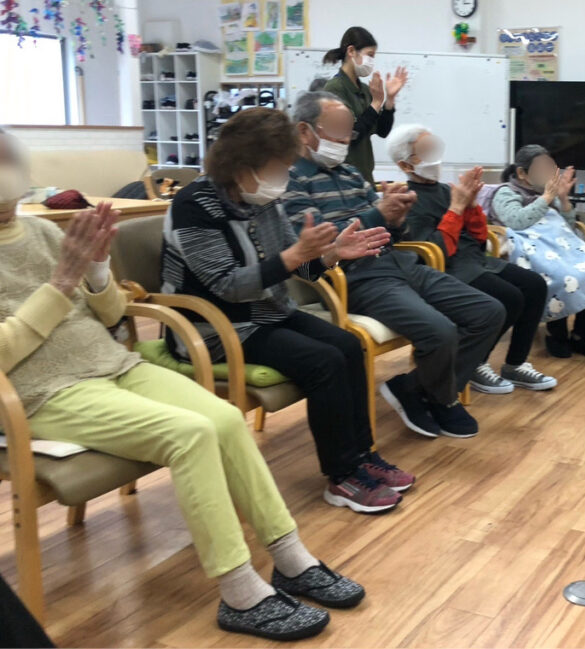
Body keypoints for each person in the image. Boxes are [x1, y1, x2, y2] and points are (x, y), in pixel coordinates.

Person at [0, 127, 358, 641]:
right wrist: (60, 285)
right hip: (44, 392)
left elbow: (112, 315)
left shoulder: (45, 231)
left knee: (225, 419)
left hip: (114, 366)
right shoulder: (193, 206)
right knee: (190, 434)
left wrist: (97, 271)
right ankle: (239, 591)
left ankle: (290, 557)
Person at [162, 108, 415, 515]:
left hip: (266, 312)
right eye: (276, 168)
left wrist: (331, 255)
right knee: (323, 361)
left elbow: (298, 268)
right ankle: (342, 475)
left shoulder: (262, 198)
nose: (283, 175)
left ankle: (362, 456)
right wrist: (297, 254)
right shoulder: (194, 205)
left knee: (349, 346)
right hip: (215, 327)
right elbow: (229, 285)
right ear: (241, 165)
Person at [282, 93, 505, 438]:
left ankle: (415, 390)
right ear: (304, 131)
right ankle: (441, 399)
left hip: (396, 262)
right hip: (354, 277)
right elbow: (315, 245)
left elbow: (389, 230)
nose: (346, 139)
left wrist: (396, 219)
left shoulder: (351, 173)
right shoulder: (290, 181)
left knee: (489, 312)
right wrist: (378, 214)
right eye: (337, 130)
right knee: (440, 331)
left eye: (349, 130)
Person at [387, 124, 557, 394]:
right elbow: (436, 251)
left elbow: (478, 236)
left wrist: (473, 204)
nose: (435, 157)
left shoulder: (446, 190)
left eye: (434, 148)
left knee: (535, 284)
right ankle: (475, 363)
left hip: (475, 260)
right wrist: (457, 207)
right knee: (511, 297)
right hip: (446, 268)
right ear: (406, 165)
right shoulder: (407, 198)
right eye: (425, 151)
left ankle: (515, 364)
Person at [490, 145, 585, 360]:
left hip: (560, 246)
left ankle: (583, 335)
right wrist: (548, 197)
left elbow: (568, 226)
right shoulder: (506, 192)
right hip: (530, 250)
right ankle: (556, 334)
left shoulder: (548, 193)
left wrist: (564, 199)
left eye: (551, 168)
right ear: (522, 173)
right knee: (558, 276)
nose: (549, 173)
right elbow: (516, 221)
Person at [321, 26, 407, 185]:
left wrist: (389, 100)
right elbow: (351, 134)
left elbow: (382, 131)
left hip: (365, 176)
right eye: (370, 55)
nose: (372, 61)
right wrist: (376, 103)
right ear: (351, 51)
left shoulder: (366, 90)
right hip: (344, 179)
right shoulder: (335, 88)